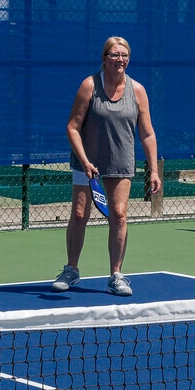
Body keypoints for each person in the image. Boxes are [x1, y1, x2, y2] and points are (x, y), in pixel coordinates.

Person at [54, 36, 160, 297]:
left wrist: (154, 170)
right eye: (114, 55)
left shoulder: (138, 91)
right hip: (87, 162)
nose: (119, 59)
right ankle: (71, 270)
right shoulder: (89, 85)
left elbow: (147, 134)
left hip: (121, 162)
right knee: (80, 214)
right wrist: (84, 160)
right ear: (104, 59)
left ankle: (116, 276)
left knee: (119, 215)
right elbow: (72, 126)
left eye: (124, 55)